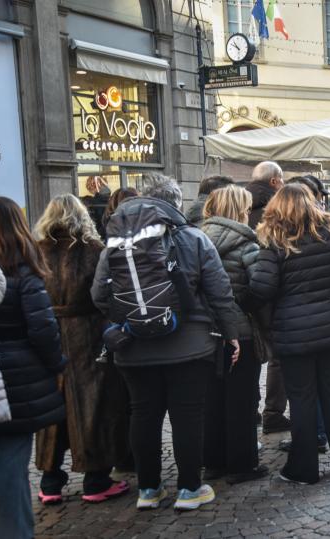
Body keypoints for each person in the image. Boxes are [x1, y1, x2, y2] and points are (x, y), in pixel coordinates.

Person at [91, 175, 241, 511]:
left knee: (143, 414)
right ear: (175, 204)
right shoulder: (194, 237)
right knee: (188, 416)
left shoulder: (116, 244)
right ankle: (189, 489)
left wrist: (132, 319)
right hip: (190, 346)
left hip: (132, 348)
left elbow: (99, 295)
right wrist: (230, 334)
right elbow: (220, 292)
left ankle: (148, 490)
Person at [250, 184, 330, 484]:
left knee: (302, 397)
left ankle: (303, 468)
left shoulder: (274, 238)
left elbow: (262, 288)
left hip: (293, 330)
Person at [34, 195, 130, 504]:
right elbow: (107, 294)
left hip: (49, 333)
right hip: (88, 335)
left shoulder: (35, 252)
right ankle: (96, 480)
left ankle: (50, 482)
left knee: (52, 408)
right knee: (94, 406)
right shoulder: (94, 250)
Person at [0, 197, 65, 539]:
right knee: (11, 471)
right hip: (16, 385)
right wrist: (57, 365)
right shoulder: (22, 271)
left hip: (12, 381)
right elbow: (42, 329)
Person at [199, 185, 268, 484]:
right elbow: (260, 287)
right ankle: (242, 464)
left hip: (206, 331)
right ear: (240, 209)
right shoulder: (246, 243)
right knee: (242, 399)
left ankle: (213, 461)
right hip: (240, 331)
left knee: (212, 398)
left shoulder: (197, 238)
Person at [246, 162, 291, 435]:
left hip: (245, 292)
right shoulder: (276, 209)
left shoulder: (241, 202)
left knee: (248, 355)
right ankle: (273, 411)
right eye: (282, 180)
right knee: (278, 356)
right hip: (271, 291)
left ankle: (249, 410)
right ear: (274, 181)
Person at [247, 161, 285, 228]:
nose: (283, 182)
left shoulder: (239, 202)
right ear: (273, 181)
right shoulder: (280, 208)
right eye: (281, 178)